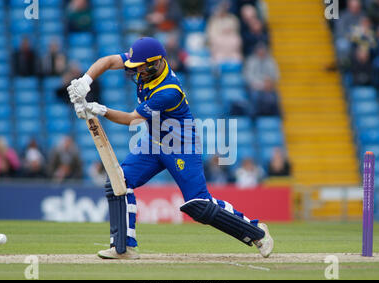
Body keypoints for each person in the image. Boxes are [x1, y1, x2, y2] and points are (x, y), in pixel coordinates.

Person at [66, 37, 274, 259]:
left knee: (199, 206)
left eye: (140, 69)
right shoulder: (145, 61)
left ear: (155, 63)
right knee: (118, 182)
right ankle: (123, 247)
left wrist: (97, 109)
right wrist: (85, 81)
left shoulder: (169, 90)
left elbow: (131, 119)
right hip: (153, 141)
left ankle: (257, 232)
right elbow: (107, 61)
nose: (136, 73)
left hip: (181, 146)